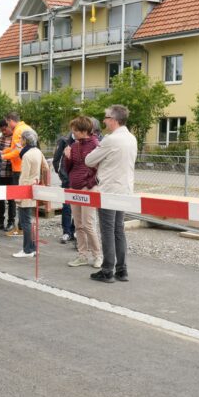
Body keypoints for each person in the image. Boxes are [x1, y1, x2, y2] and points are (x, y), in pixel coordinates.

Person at [85, 104, 138, 283]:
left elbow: (89, 160)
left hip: (109, 190)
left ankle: (107, 270)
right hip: (125, 189)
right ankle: (122, 270)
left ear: (114, 120)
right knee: (118, 230)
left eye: (106, 117)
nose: (104, 120)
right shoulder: (131, 138)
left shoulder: (110, 139)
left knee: (107, 230)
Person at [63, 116, 102, 268]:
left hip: (88, 188)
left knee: (88, 224)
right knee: (78, 224)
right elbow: (69, 168)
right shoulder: (74, 146)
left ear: (83, 131)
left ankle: (98, 255)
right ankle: (82, 255)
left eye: (75, 131)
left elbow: (99, 168)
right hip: (75, 186)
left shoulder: (95, 145)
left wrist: (89, 183)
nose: (73, 133)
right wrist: (67, 157)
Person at [13, 130, 43, 258]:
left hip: (26, 189)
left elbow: (23, 178)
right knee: (29, 220)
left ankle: (27, 250)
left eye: (21, 139)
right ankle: (33, 248)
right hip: (35, 187)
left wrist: (18, 196)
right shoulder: (38, 152)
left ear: (25, 140)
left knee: (25, 221)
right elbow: (46, 168)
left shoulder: (26, 156)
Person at [0, 113, 32, 235]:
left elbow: (17, 152)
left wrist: (3, 156)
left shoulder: (18, 131)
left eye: (7, 123)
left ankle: (21, 228)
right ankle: (21, 227)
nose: (7, 126)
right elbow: (15, 148)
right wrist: (3, 151)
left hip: (19, 169)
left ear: (10, 121)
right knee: (23, 199)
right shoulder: (25, 128)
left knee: (19, 199)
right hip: (23, 168)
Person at [51, 129, 76, 244]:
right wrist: (61, 174)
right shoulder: (64, 140)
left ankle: (75, 231)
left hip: (79, 181)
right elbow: (56, 159)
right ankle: (66, 232)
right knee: (67, 206)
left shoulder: (84, 140)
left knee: (78, 207)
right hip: (67, 180)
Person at [0, 118, 16, 231]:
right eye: (2, 130)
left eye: (5, 129)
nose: (4, 132)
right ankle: (0, 221)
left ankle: (11, 221)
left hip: (11, 173)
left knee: (11, 199)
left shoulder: (15, 138)